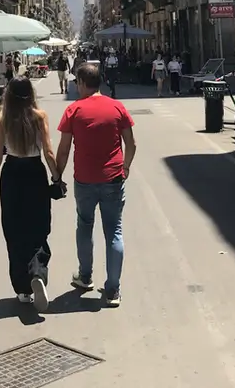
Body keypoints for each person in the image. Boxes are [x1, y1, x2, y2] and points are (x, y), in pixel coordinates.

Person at [56, 63, 137, 307]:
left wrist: (57, 176)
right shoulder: (117, 106)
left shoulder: (74, 110)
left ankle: (85, 276)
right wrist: (126, 167)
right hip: (113, 178)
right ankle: (113, 290)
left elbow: (63, 149)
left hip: (84, 180)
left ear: (81, 82)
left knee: (84, 225)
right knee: (114, 231)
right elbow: (131, 144)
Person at [0, 76, 61, 312]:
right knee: (38, 229)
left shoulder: (3, 120)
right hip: (35, 173)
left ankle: (23, 290)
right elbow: (48, 152)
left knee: (14, 231)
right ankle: (37, 273)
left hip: (12, 174)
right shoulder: (40, 117)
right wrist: (57, 178)